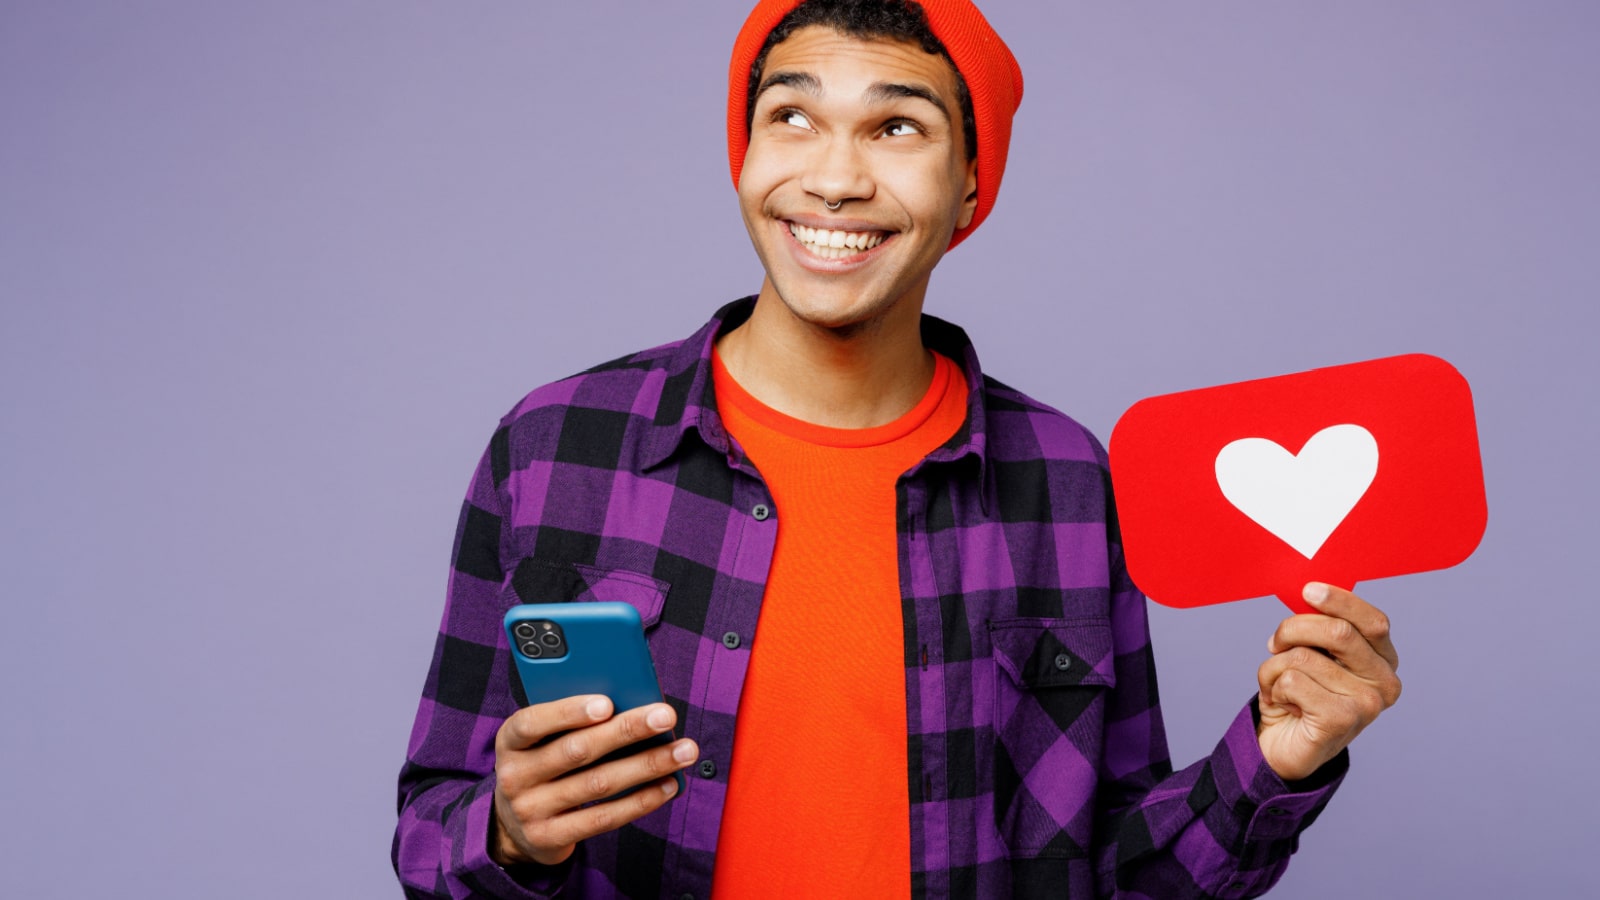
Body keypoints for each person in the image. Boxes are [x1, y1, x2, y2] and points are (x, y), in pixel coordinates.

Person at [392, 1, 1402, 897]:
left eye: (895, 127)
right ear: (743, 157)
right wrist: (510, 837)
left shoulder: (1067, 485)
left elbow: (1120, 874)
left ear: (969, 187)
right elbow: (432, 827)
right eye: (792, 117)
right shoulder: (555, 444)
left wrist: (1276, 762)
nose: (833, 178)